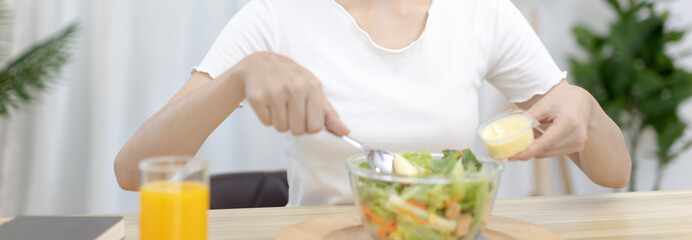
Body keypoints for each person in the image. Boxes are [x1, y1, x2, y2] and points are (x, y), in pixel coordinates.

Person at [114, 0, 631, 206]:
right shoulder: (275, 15)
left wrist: (583, 106)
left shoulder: (480, 12)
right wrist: (235, 80)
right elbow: (132, 170)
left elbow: (614, 172)